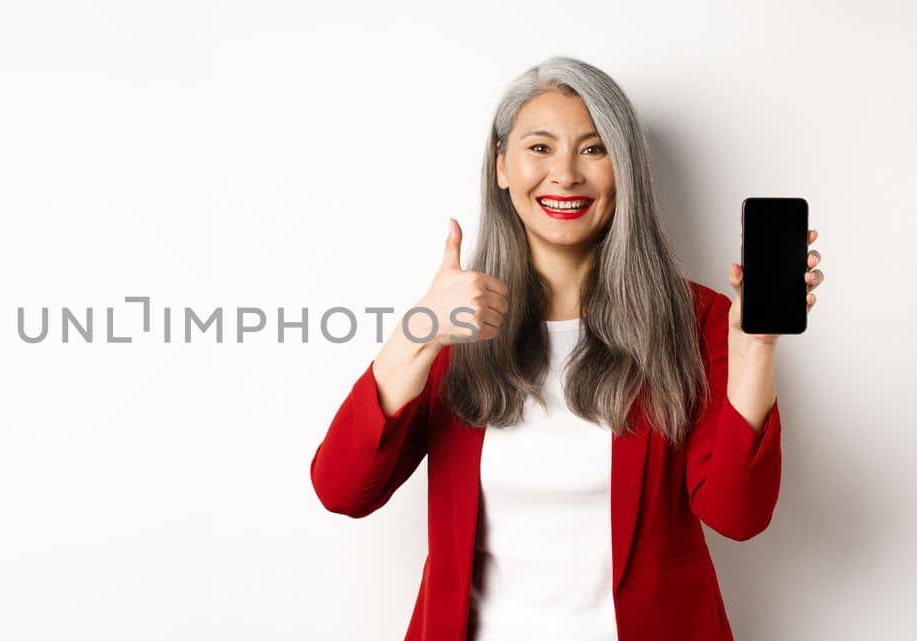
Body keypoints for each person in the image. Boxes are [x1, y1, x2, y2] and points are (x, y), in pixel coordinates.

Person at [307, 56, 826, 641]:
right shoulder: (457, 321)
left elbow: (738, 514)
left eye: (593, 149)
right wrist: (416, 334)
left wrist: (755, 348)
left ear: (623, 170)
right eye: (540, 147)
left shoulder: (696, 320)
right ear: (501, 165)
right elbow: (343, 490)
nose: (565, 175)